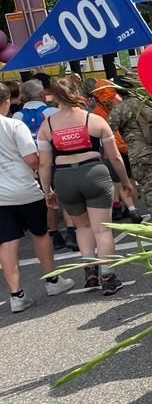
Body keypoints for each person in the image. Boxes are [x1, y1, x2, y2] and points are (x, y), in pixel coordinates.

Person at [36, 77, 132, 296]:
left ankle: (90, 271)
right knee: (103, 228)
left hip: (64, 178)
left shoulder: (47, 126)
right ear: (76, 92)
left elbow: (43, 162)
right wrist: (125, 181)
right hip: (93, 173)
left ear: (53, 97)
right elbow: (115, 157)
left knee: (82, 227)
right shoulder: (94, 120)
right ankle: (108, 276)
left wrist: (46, 191)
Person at [0, 86, 75, 312]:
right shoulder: (13, 125)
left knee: (7, 241)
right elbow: (32, 159)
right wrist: (44, 183)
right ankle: (52, 281)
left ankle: (16, 294)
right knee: (40, 233)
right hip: (25, 189)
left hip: (1, 195)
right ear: (6, 101)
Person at [107, 86, 152, 224]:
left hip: (140, 153)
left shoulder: (120, 109)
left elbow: (108, 129)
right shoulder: (150, 103)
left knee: (149, 189)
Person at [89, 80, 139, 222]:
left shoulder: (96, 112)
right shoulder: (120, 101)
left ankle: (129, 209)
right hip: (128, 146)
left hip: (111, 150)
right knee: (130, 180)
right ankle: (135, 209)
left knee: (117, 181)